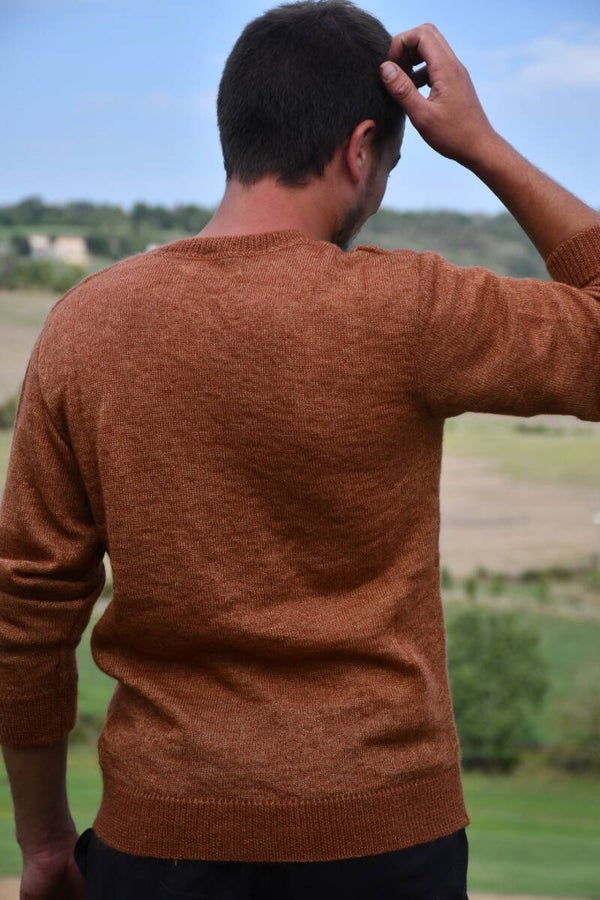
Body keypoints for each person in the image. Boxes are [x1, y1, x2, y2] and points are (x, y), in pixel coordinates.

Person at [1, 1, 599, 898]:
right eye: (390, 165)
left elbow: (27, 609)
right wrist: (481, 146)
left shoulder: (86, 324)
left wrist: (46, 842)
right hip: (386, 843)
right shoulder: (410, 309)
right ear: (361, 149)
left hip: (160, 841)